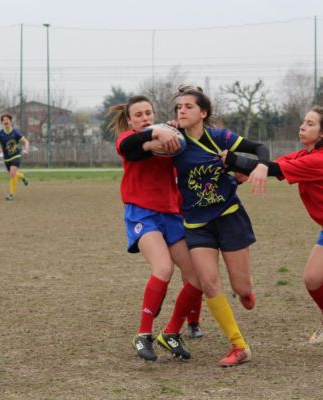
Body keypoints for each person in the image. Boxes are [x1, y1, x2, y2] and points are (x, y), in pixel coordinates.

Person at [223, 106, 323, 359]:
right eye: (303, 122)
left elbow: (273, 170)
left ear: (322, 134)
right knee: (312, 280)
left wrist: (229, 157)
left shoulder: (319, 160)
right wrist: (248, 171)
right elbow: (272, 165)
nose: (302, 127)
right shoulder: (304, 154)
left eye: (310, 124)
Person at [170, 85, 269, 367]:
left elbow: (259, 148)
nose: (182, 111)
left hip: (229, 216)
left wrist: (260, 165)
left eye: (189, 106)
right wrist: (158, 133)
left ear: (203, 113)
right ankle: (238, 346)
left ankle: (246, 291)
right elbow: (140, 146)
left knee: (240, 286)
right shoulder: (174, 143)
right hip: (197, 224)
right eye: (179, 107)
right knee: (210, 283)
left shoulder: (219, 137)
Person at [110, 95, 204, 362]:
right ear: (129, 119)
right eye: (138, 115)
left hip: (172, 215)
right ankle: (143, 335)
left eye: (148, 113)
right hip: (142, 214)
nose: (145, 118)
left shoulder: (171, 137)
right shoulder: (129, 139)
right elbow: (130, 147)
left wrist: (170, 134)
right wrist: (157, 132)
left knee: (197, 276)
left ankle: (171, 332)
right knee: (163, 268)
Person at [0, 113, 30, 201]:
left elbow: (26, 142)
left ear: (10, 121)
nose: (6, 121)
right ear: (2, 122)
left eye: (7, 119)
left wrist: (26, 150)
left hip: (16, 156)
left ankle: (11, 194)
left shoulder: (16, 133)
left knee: (12, 174)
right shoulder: (0, 133)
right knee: (13, 174)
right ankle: (23, 177)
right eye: (4, 120)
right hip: (6, 158)